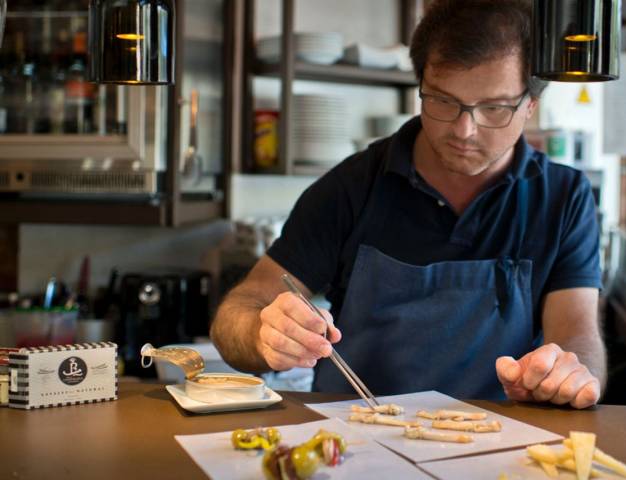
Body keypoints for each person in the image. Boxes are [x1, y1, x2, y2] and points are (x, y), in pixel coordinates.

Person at [212, 0, 605, 409]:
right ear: (421, 85)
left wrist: (571, 374)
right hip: (356, 441)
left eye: (494, 108)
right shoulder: (354, 186)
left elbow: (578, 337)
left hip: (500, 447)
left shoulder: (563, 197)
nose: (464, 130)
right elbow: (236, 314)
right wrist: (264, 332)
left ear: (530, 105)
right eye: (443, 101)